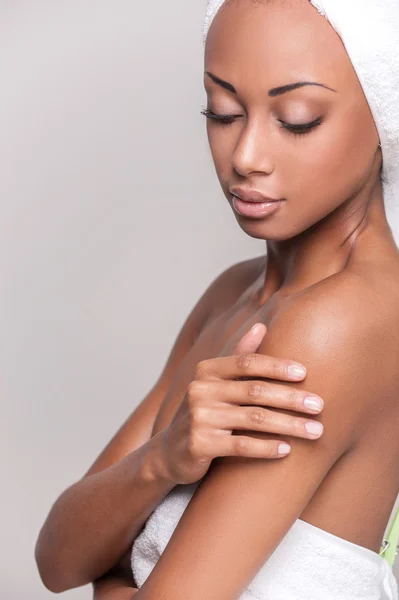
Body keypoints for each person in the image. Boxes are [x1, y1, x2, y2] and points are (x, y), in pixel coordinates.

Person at [35, 0, 399, 598]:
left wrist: (119, 571)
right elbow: (59, 559)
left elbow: (124, 575)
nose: (245, 157)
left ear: (385, 116)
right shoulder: (234, 293)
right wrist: (165, 459)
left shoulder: (340, 322)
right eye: (223, 111)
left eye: (298, 118)